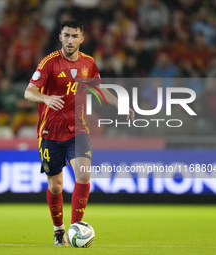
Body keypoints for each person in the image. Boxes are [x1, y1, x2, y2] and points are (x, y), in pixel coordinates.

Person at [24, 20, 134, 246]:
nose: (70, 40)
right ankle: (58, 230)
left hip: (78, 130)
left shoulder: (89, 63)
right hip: (50, 132)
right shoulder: (49, 63)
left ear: (82, 39)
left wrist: (119, 104)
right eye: (66, 35)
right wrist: (45, 97)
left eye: (75, 36)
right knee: (55, 186)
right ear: (60, 37)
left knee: (83, 176)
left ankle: (75, 229)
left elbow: (98, 89)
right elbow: (29, 92)